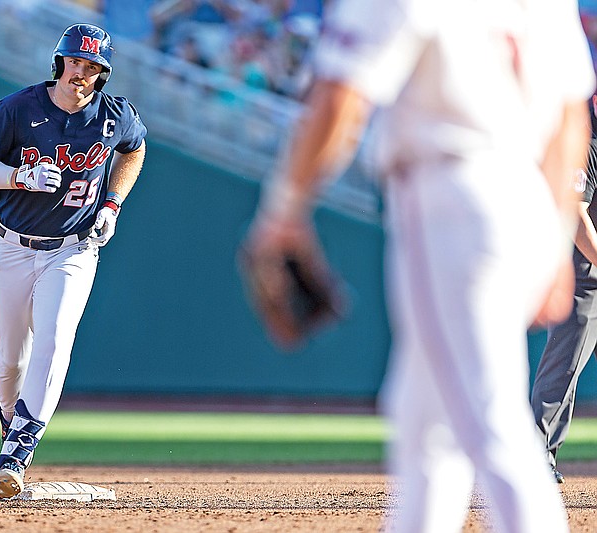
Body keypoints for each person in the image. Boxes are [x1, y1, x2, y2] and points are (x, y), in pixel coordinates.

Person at [241, 1, 594, 531]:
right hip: (523, 191)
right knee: (424, 423)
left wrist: (283, 210)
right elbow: (570, 118)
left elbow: (340, 97)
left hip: (451, 192)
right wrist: (553, 232)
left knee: (488, 419)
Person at [0, 23, 147, 499]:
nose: (80, 73)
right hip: (13, 244)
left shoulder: (113, 116)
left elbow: (135, 149)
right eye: (74, 62)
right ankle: (10, 423)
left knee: (55, 339)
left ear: (102, 74)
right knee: (8, 357)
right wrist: (20, 176)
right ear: (59, 62)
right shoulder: (19, 107)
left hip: (73, 248)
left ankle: (17, 452)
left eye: (91, 66)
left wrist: (112, 203)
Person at [530, 128, 597, 485]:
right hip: (587, 279)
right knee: (562, 372)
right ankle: (535, 458)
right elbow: (576, 217)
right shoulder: (587, 144)